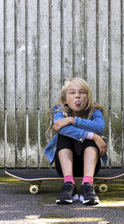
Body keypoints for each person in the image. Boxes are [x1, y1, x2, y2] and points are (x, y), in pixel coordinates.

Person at [44, 77, 107, 205]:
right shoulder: (59, 111)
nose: (77, 96)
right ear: (65, 99)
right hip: (64, 167)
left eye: (82, 92)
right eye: (72, 92)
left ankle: (88, 185)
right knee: (65, 134)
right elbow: (58, 127)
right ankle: (68, 185)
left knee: (90, 138)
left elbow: (99, 127)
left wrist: (73, 120)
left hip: (90, 167)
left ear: (88, 97)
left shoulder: (94, 111)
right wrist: (93, 136)